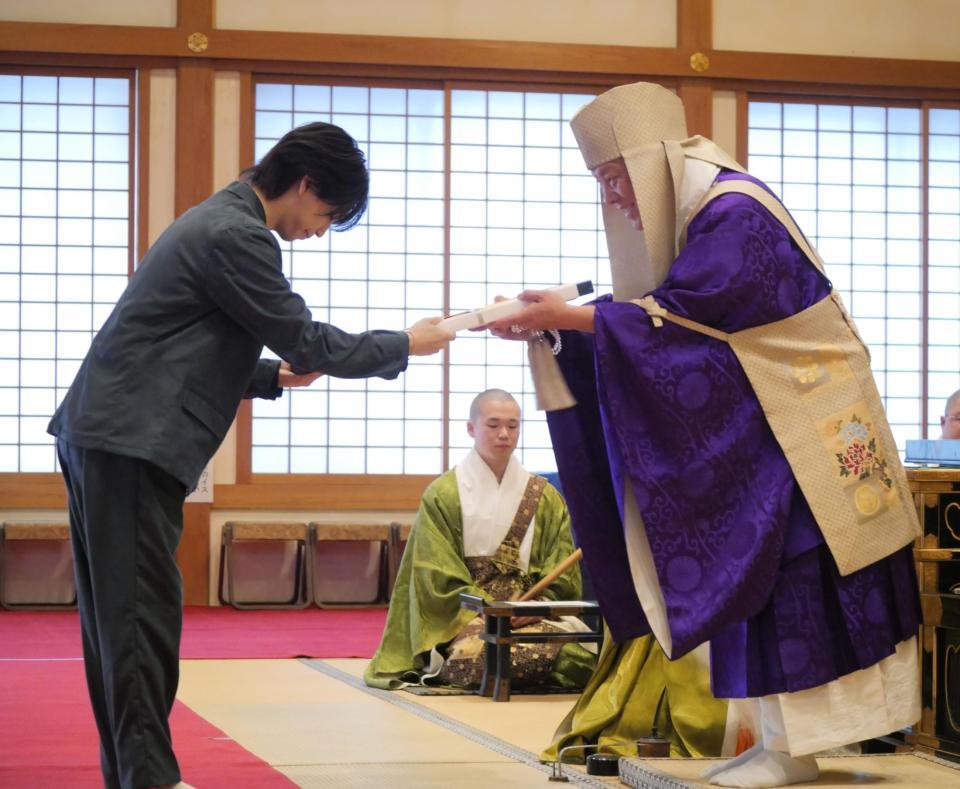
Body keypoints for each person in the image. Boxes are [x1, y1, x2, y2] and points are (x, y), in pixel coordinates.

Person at [487, 83, 921, 788]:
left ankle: (795, 748)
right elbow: (667, 321)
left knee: (796, 581)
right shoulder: (704, 212)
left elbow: (684, 318)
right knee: (762, 579)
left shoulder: (736, 214)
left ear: (651, 158)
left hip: (809, 433)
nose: (616, 199)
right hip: (776, 429)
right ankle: (778, 742)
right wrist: (561, 327)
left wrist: (569, 320)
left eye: (615, 178)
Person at [47, 122, 453, 789]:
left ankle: (135, 776)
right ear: (305, 185)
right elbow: (308, 338)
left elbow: (182, 340)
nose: (319, 231)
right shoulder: (239, 235)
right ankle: (149, 779)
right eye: (326, 215)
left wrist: (269, 376)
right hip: (130, 439)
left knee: (119, 623)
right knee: (137, 620)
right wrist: (404, 344)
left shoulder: (220, 217)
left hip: (112, 433)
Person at [364, 388, 595, 691]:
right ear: (471, 428)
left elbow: (561, 570)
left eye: (513, 426)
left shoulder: (546, 497)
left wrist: (539, 606)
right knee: (478, 656)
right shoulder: (444, 494)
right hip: (468, 618)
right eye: (493, 425)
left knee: (581, 662)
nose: (504, 434)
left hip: (529, 616)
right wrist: (491, 610)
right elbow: (436, 576)